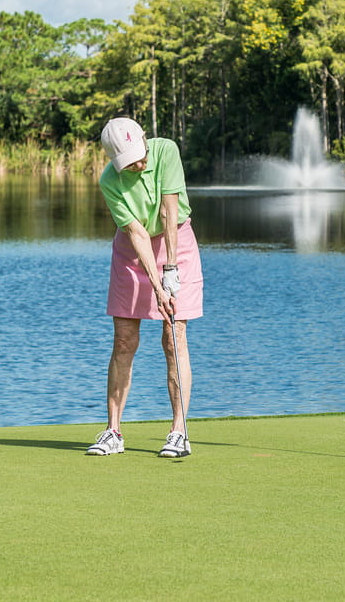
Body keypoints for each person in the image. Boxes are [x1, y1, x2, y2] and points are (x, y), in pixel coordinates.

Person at [87, 117, 203, 458]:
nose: (138, 163)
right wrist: (156, 284)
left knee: (173, 336)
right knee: (124, 340)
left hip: (176, 241)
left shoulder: (166, 151)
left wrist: (170, 270)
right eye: (129, 161)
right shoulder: (109, 180)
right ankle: (113, 431)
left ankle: (179, 432)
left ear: (144, 139)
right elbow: (136, 233)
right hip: (131, 251)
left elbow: (169, 212)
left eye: (139, 154)